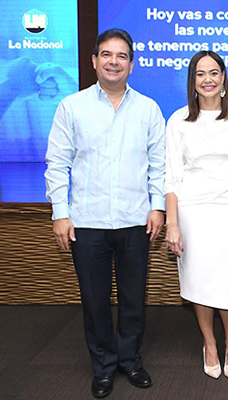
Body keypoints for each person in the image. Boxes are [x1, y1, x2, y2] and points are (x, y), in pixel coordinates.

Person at [45, 28, 165, 398]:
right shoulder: (72, 106)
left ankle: (129, 360)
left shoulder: (148, 108)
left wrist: (157, 206)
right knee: (94, 301)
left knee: (133, 298)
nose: (114, 62)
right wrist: (60, 214)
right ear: (94, 61)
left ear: (132, 64)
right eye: (107, 55)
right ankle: (103, 367)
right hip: (87, 222)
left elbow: (159, 165)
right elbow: (56, 162)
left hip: (134, 221)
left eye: (122, 56)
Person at [164, 51, 228, 380]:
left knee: (227, 281)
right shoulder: (178, 121)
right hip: (192, 212)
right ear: (192, 81)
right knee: (198, 280)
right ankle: (209, 343)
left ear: (223, 78)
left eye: (213, 72)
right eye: (200, 74)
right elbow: (171, 177)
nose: (207, 79)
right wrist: (172, 223)